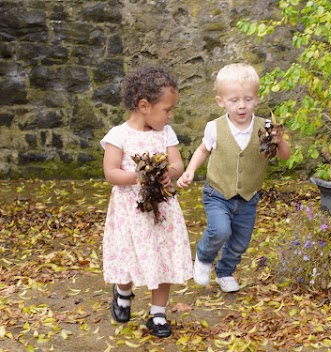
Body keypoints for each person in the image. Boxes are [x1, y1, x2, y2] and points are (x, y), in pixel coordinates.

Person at [177, 63, 291, 293]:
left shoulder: (266, 127)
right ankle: (203, 256)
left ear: (256, 99)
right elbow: (202, 150)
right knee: (220, 230)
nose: (241, 106)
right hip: (217, 193)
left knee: (240, 242)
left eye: (248, 99)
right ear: (221, 101)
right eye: (234, 100)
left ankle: (225, 272)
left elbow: (285, 156)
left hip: (248, 197)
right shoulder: (215, 127)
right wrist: (190, 171)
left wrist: (280, 141)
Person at [100, 64, 192, 338]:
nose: (170, 115)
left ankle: (158, 313)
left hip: (162, 210)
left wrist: (168, 175)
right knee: (129, 255)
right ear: (143, 105)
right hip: (130, 211)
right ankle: (123, 292)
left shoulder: (166, 133)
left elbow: (177, 164)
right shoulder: (118, 135)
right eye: (167, 109)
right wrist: (138, 178)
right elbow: (111, 172)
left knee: (162, 256)